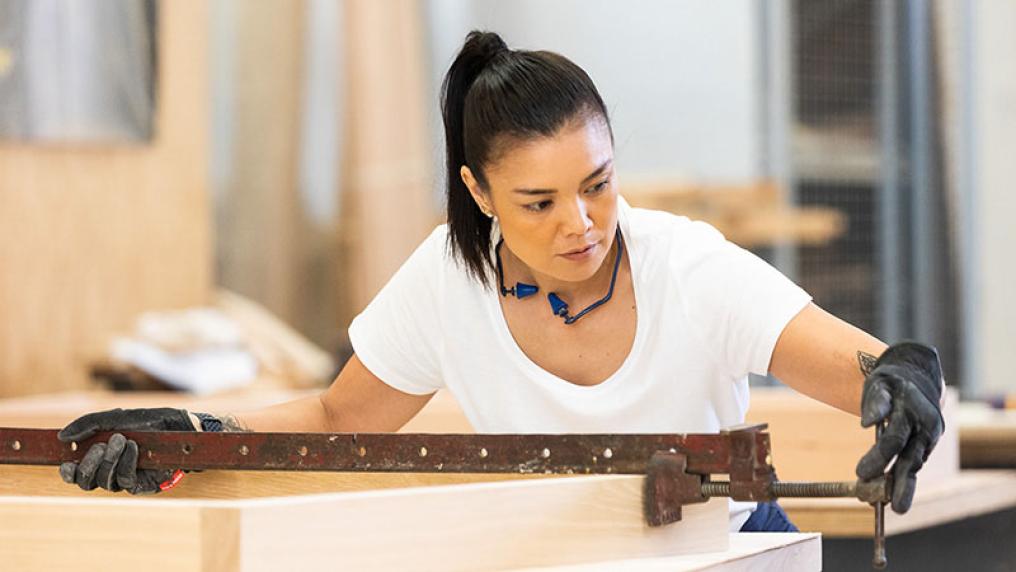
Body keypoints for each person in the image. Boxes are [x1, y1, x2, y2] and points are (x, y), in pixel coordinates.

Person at [57, 31, 945, 532]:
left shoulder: (686, 265)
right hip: (559, 548)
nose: (583, 223)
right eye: (539, 201)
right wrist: (196, 436)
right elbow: (338, 419)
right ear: (478, 196)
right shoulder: (446, 280)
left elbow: (859, 366)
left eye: (599, 184)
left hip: (727, 550)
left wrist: (902, 380)